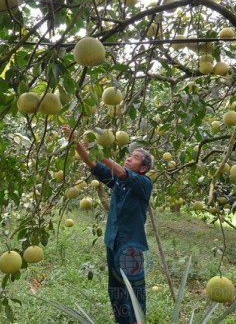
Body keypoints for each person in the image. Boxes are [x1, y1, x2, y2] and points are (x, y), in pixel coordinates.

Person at [62, 125, 153, 324]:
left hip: (130, 245)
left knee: (134, 291)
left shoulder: (144, 183)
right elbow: (92, 163)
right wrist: (75, 141)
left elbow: (121, 172)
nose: (129, 158)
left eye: (135, 157)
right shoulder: (119, 181)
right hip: (113, 241)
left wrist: (97, 148)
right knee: (116, 290)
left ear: (143, 168)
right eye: (130, 155)